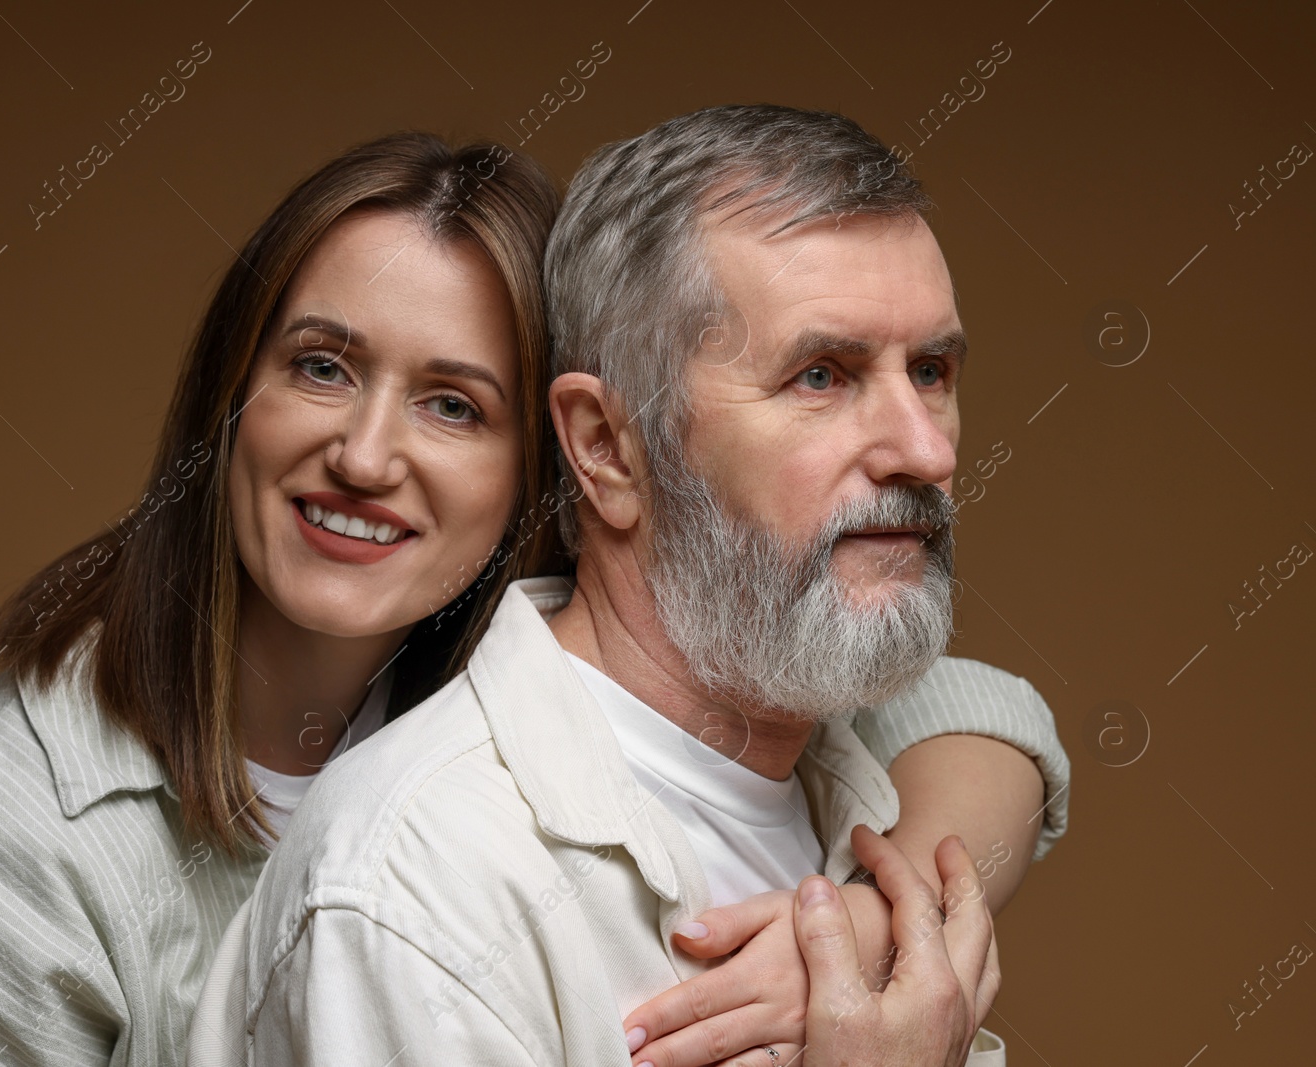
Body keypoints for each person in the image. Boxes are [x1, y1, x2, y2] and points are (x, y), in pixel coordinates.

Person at [0, 129, 1063, 1067]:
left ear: (562, 461)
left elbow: (962, 703)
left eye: (454, 403)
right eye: (321, 366)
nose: (365, 454)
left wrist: (858, 915)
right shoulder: (32, 814)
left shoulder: (586, 664)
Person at [187, 106, 1070, 1067]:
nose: (926, 449)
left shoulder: (858, 787)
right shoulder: (415, 897)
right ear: (608, 449)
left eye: (932, 370)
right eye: (821, 376)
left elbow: (991, 714)